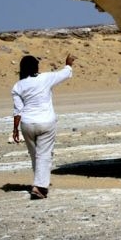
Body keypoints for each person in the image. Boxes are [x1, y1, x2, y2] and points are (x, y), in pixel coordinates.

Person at [11, 53, 76, 199]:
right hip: (46, 122)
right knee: (44, 155)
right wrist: (68, 64)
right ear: (36, 67)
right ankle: (39, 187)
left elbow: (17, 110)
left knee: (35, 155)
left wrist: (15, 129)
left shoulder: (18, 86)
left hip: (27, 124)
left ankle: (39, 184)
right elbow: (64, 74)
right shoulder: (45, 78)